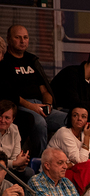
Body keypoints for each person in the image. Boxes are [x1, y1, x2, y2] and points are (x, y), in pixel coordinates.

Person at [1, 25, 66, 154]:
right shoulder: (4, 61)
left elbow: (45, 90)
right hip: (20, 106)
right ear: (9, 39)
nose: (22, 41)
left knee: (69, 120)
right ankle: (42, 159)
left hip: (40, 105)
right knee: (39, 122)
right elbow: (9, 93)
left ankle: (63, 159)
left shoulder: (32, 60)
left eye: (25, 37)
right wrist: (32, 107)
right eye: (18, 37)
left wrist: (48, 105)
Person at [46, 107, 90, 192]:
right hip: (54, 171)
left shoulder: (86, 133)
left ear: (87, 121)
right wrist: (87, 137)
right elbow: (80, 160)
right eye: (75, 115)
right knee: (89, 166)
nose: (79, 119)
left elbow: (82, 161)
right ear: (70, 118)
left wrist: (71, 164)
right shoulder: (64, 133)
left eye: (83, 116)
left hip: (69, 169)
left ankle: (87, 195)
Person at [0, 99, 32, 181]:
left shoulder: (14, 129)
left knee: (29, 172)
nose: (2, 120)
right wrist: (15, 163)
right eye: (0, 116)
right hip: (2, 168)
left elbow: (16, 157)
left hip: (9, 168)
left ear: (13, 119)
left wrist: (21, 164)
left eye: (7, 118)